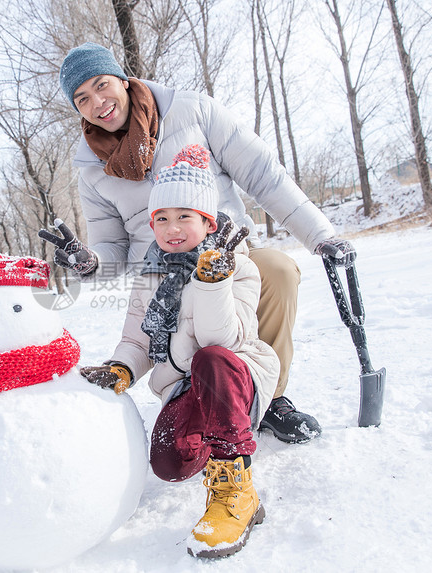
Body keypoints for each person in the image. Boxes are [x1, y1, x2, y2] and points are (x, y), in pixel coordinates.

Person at [41, 42, 357, 444]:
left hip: (226, 247)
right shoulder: (91, 170)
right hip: (161, 269)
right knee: (195, 337)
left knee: (277, 271)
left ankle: (269, 397)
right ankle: (196, 402)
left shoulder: (193, 111)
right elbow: (112, 249)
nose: (97, 103)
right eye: (82, 99)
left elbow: (263, 174)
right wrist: (90, 262)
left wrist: (321, 235)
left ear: (122, 79)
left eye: (102, 85)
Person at [79, 145, 279, 558]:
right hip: (184, 385)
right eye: (161, 219)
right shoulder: (151, 274)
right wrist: (122, 369)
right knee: (170, 465)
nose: (172, 228)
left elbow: (222, 341)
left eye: (184, 216)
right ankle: (220, 428)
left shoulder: (238, 267)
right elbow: (137, 340)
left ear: (207, 221)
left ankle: (237, 492)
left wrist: (211, 282)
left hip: (235, 373)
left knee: (210, 360)